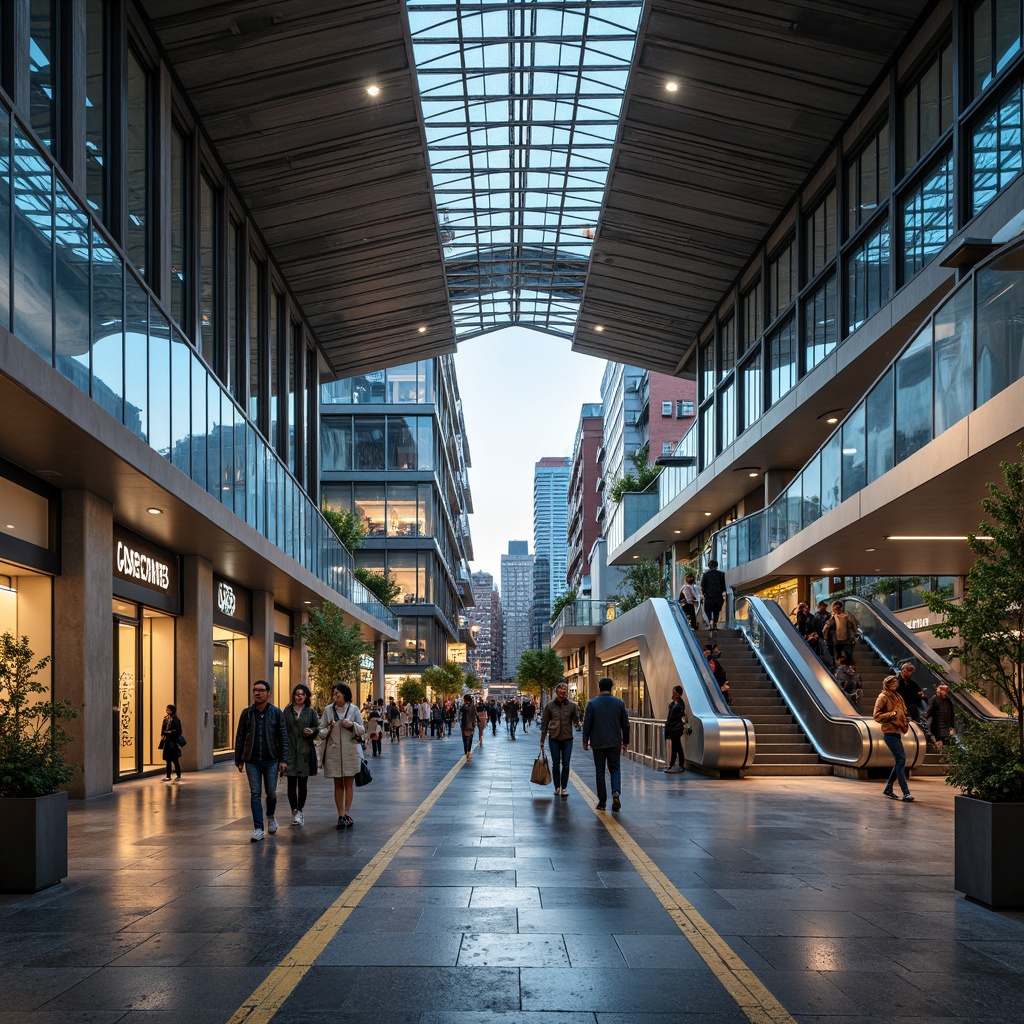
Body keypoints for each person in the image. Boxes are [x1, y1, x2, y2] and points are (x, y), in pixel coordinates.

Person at [234, 680, 290, 841]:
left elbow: (283, 738)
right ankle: (258, 828)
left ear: (268, 693)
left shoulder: (276, 713)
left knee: (271, 793)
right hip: (252, 760)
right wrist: (239, 759)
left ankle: (271, 816)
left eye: (261, 690)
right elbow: (240, 736)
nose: (257, 693)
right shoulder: (247, 713)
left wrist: (283, 759)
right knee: (255, 793)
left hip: (271, 760)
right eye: (255, 690)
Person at [319, 682, 365, 829]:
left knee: (348, 784)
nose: (335, 695)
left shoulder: (354, 709)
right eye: (334, 693)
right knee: (337, 784)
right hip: (333, 752)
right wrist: (330, 728)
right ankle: (340, 815)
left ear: (345, 695)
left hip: (350, 751)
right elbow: (320, 731)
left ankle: (346, 813)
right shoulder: (328, 710)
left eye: (338, 693)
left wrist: (351, 725)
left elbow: (362, 730)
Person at [582, 677, 630, 811]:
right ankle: (615, 792)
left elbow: (587, 724)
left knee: (600, 771)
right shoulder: (619, 703)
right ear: (611, 688)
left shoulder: (592, 704)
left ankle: (602, 801)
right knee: (615, 768)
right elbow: (625, 724)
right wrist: (625, 741)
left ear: (599, 687)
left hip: (598, 742)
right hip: (614, 741)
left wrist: (585, 740)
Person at [873, 675, 913, 802]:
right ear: (888, 684)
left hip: (897, 732)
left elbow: (902, 711)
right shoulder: (883, 696)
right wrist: (891, 714)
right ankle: (906, 792)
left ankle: (889, 787)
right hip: (889, 733)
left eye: (896, 681)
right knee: (901, 759)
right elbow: (876, 715)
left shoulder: (897, 696)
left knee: (899, 761)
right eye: (893, 682)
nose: (896, 683)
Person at [284, 682, 319, 826]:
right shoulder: (287, 711)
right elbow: (282, 730)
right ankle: (294, 810)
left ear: (306, 697)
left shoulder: (310, 712)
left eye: (302, 694)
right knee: (291, 783)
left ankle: (300, 810)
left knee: (302, 783)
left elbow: (317, 728)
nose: (299, 697)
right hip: (290, 752)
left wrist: (312, 731)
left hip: (305, 751)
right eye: (297, 694)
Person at [540, 682, 581, 797]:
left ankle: (564, 787)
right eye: (562, 692)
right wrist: (542, 739)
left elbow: (575, 720)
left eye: (565, 692)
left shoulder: (572, 706)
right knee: (556, 763)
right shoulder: (549, 706)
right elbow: (545, 723)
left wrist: (578, 723)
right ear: (556, 693)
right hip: (554, 737)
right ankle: (557, 787)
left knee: (566, 763)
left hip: (567, 738)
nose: (564, 694)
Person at [662, 685, 687, 773]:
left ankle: (674, 764)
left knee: (676, 746)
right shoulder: (674, 703)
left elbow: (675, 714)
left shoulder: (680, 704)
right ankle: (676, 764)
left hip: (676, 728)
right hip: (673, 727)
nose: (673, 694)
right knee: (676, 746)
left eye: (675, 692)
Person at [925, 683, 956, 752]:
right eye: (944, 690)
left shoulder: (948, 700)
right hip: (937, 724)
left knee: (945, 739)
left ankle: (944, 752)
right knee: (940, 738)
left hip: (946, 724)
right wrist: (926, 715)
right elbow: (929, 710)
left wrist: (952, 725)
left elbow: (951, 713)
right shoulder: (935, 698)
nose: (945, 692)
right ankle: (940, 750)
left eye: (946, 690)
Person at [895, 661, 927, 725]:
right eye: (908, 671)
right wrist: (916, 695)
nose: (909, 674)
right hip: (901, 708)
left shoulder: (911, 683)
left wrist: (921, 695)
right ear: (903, 670)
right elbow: (903, 695)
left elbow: (919, 692)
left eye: (911, 672)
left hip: (912, 709)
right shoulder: (896, 681)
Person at [700, 560, 727, 633]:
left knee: (708, 609)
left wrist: (703, 594)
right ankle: (715, 623)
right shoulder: (721, 574)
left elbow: (703, 586)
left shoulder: (706, 574)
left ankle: (710, 621)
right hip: (718, 595)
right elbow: (723, 586)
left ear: (709, 566)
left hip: (709, 595)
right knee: (717, 610)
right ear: (716, 566)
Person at [160, 704, 183, 782]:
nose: (167, 711)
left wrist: (171, 732)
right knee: (168, 759)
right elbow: (163, 729)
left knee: (175, 759)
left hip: (173, 741)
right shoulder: (166, 719)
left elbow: (179, 730)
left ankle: (178, 775)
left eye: (169, 710)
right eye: (167, 710)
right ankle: (168, 775)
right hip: (167, 741)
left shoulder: (176, 719)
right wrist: (163, 735)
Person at [459, 693, 477, 759]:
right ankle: (468, 751)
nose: (463, 701)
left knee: (465, 739)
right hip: (471, 725)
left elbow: (462, 710)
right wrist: (475, 723)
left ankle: (466, 751)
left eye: (464, 700)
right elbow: (475, 715)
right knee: (469, 739)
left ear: (466, 700)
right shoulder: (473, 706)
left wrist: (464, 705)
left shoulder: (465, 707)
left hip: (465, 725)